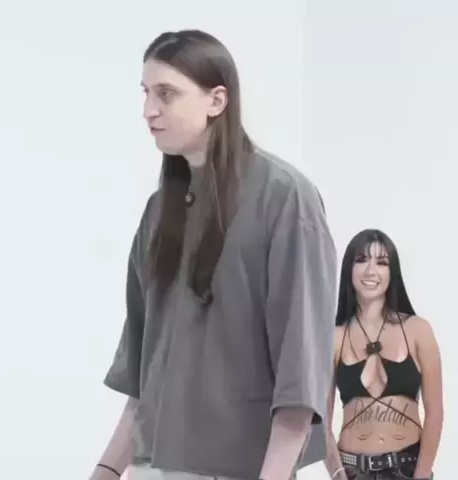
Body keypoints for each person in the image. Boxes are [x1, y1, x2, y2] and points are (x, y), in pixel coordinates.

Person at [89, 29, 337, 480]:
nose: (149, 110)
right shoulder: (158, 211)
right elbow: (145, 372)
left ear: (217, 100)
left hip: (240, 467)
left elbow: (300, 378)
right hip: (154, 465)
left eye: (166, 94)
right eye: (146, 93)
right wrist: (105, 471)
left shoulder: (284, 197)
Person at [324, 229, 443, 480]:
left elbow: (435, 412)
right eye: (361, 260)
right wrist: (337, 473)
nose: (371, 271)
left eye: (381, 262)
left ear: (393, 271)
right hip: (352, 470)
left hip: (407, 467)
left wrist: (422, 474)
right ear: (349, 269)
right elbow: (321, 421)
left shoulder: (418, 330)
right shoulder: (334, 338)